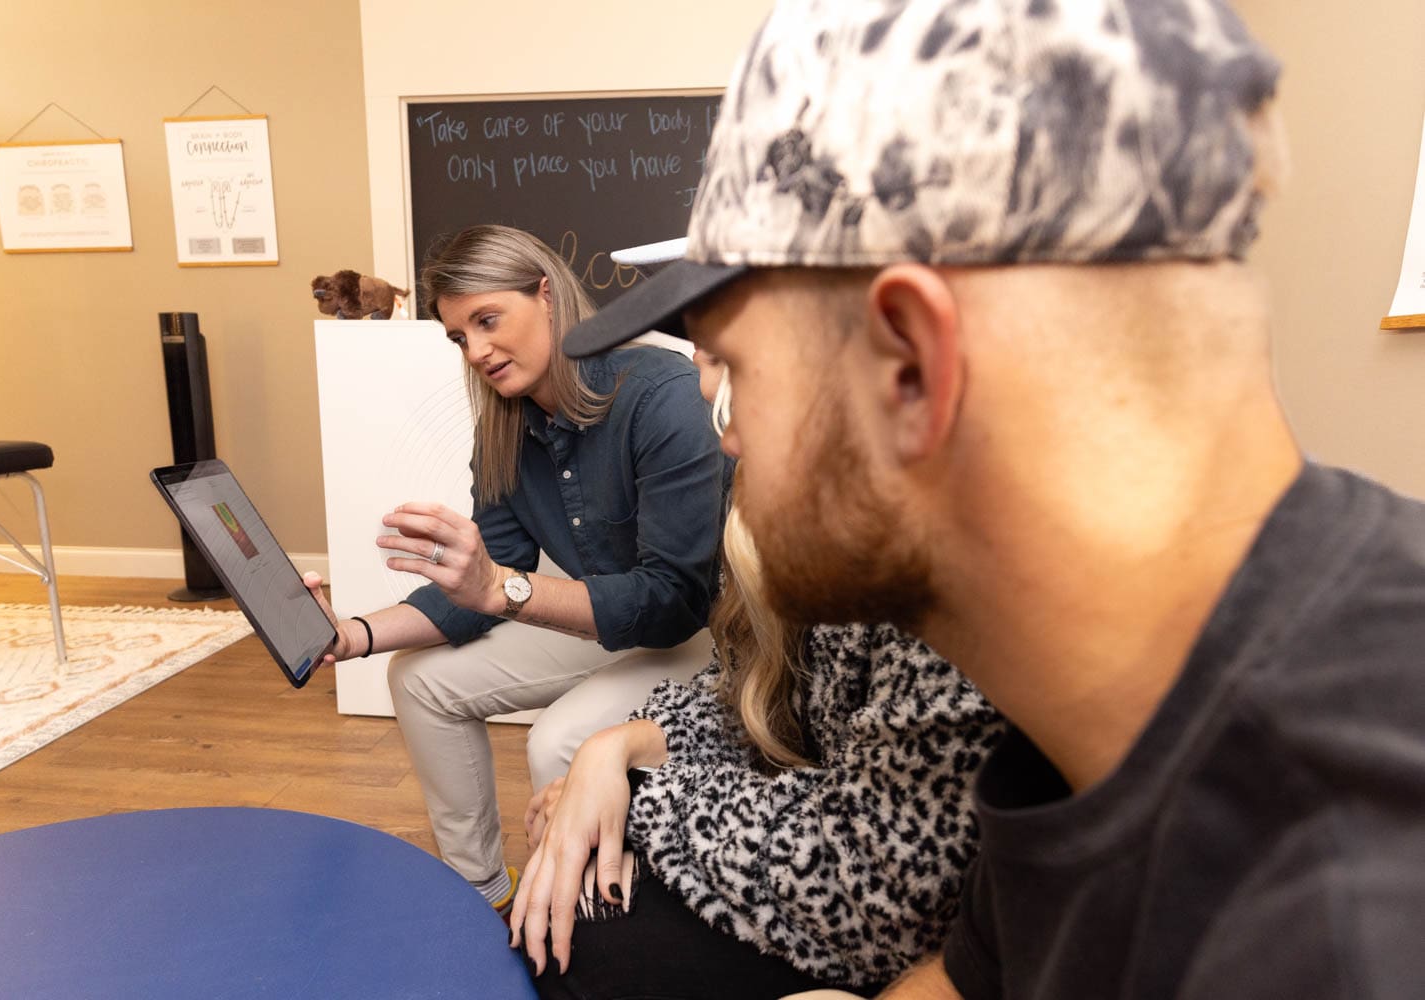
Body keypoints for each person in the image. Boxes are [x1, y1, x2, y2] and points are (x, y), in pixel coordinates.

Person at [559, 1, 1425, 998]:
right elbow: (980, 969)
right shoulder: (1103, 697)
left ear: (911, 370)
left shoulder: (1341, 924)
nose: (732, 428)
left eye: (740, 365)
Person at [507, 358, 1005, 998]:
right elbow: (748, 689)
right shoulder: (794, 512)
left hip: (893, 920)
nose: (703, 383)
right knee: (569, 896)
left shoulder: (936, 568)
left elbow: (878, 877)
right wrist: (622, 745)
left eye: (724, 354)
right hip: (826, 853)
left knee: (580, 933)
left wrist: (638, 797)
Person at [304, 224, 728, 913]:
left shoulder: (663, 396)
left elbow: (674, 602)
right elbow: (478, 590)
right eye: (457, 337)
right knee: (418, 680)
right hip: (618, 619)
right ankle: (481, 899)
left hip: (709, 631)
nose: (474, 351)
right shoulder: (506, 425)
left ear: (547, 295)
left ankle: (578, 927)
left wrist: (502, 588)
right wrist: (349, 635)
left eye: (487, 320)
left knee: (560, 737)